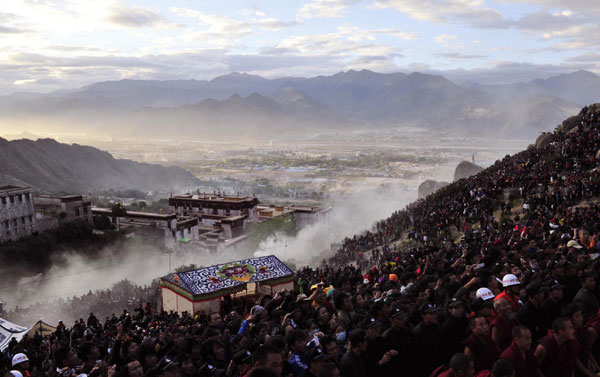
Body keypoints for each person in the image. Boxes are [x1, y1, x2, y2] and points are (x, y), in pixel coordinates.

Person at [413, 302, 442, 377]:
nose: (434, 315)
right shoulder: (418, 332)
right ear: (423, 316)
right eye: (431, 314)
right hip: (425, 367)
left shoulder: (436, 326)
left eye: (435, 312)